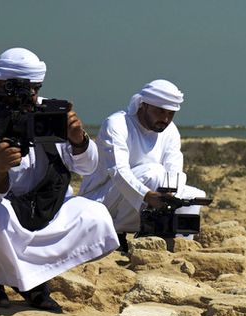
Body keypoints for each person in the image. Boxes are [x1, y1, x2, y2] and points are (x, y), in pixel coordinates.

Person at [0, 47, 119, 311]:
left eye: (35, 89)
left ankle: (32, 280)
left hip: (46, 206)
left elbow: (88, 168)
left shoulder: (51, 114)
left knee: (96, 216)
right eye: (22, 89)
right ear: (0, 84)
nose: (31, 96)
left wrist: (79, 140)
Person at [79, 79, 205, 247]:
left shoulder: (170, 130)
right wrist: (147, 196)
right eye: (160, 111)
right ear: (144, 105)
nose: (165, 119)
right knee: (154, 173)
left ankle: (175, 243)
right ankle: (116, 232)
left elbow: (174, 168)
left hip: (145, 196)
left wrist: (170, 197)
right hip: (99, 202)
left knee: (192, 195)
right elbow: (118, 171)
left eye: (171, 114)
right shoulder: (117, 124)